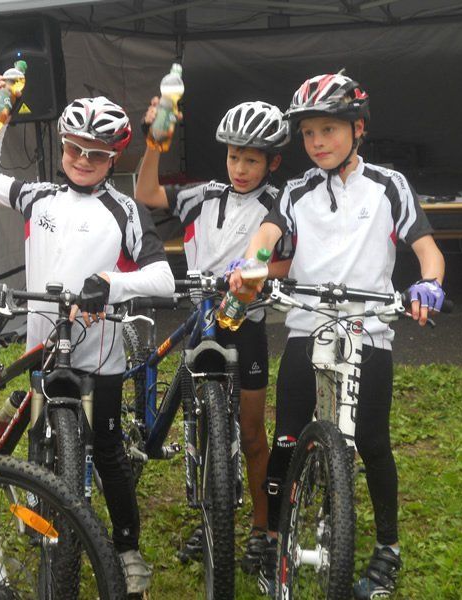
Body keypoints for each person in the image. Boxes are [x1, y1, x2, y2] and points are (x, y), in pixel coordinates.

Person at [228, 73, 446, 599]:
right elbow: (268, 234)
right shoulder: (297, 190)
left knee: (372, 442)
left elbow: (427, 250)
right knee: (287, 438)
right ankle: (274, 535)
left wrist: (430, 284)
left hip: (368, 330)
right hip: (306, 326)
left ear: (358, 129)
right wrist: (253, 262)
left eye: (329, 129)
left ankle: (388, 547)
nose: (318, 142)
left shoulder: (388, 185)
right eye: (308, 133)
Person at [0, 82, 175, 596]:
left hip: (99, 354)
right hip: (43, 346)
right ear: (62, 146)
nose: (83, 160)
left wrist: (111, 284)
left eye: (96, 153)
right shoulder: (40, 196)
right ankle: (40, 498)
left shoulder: (125, 209)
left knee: (106, 449)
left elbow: (163, 278)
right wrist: (0, 115)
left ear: (113, 157)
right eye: (74, 148)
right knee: (38, 433)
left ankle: (126, 547)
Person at [134, 98, 293, 574]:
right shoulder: (202, 195)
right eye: (233, 157)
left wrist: (256, 273)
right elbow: (146, 192)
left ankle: (263, 529)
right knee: (204, 428)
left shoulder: (280, 203)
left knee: (251, 433)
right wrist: (154, 142)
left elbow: (290, 262)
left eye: (251, 160)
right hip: (203, 320)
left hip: (247, 326)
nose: (240, 169)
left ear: (272, 163)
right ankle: (211, 519)